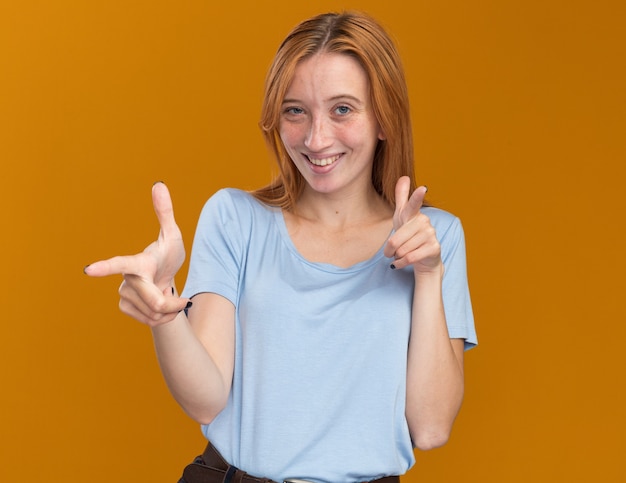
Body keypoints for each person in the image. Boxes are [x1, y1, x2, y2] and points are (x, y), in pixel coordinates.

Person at [85, 11, 477, 483]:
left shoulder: (435, 238)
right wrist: (166, 315)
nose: (316, 138)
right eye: (295, 110)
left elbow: (431, 427)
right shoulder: (235, 219)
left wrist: (429, 275)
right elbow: (207, 399)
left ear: (384, 119)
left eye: (342, 109)